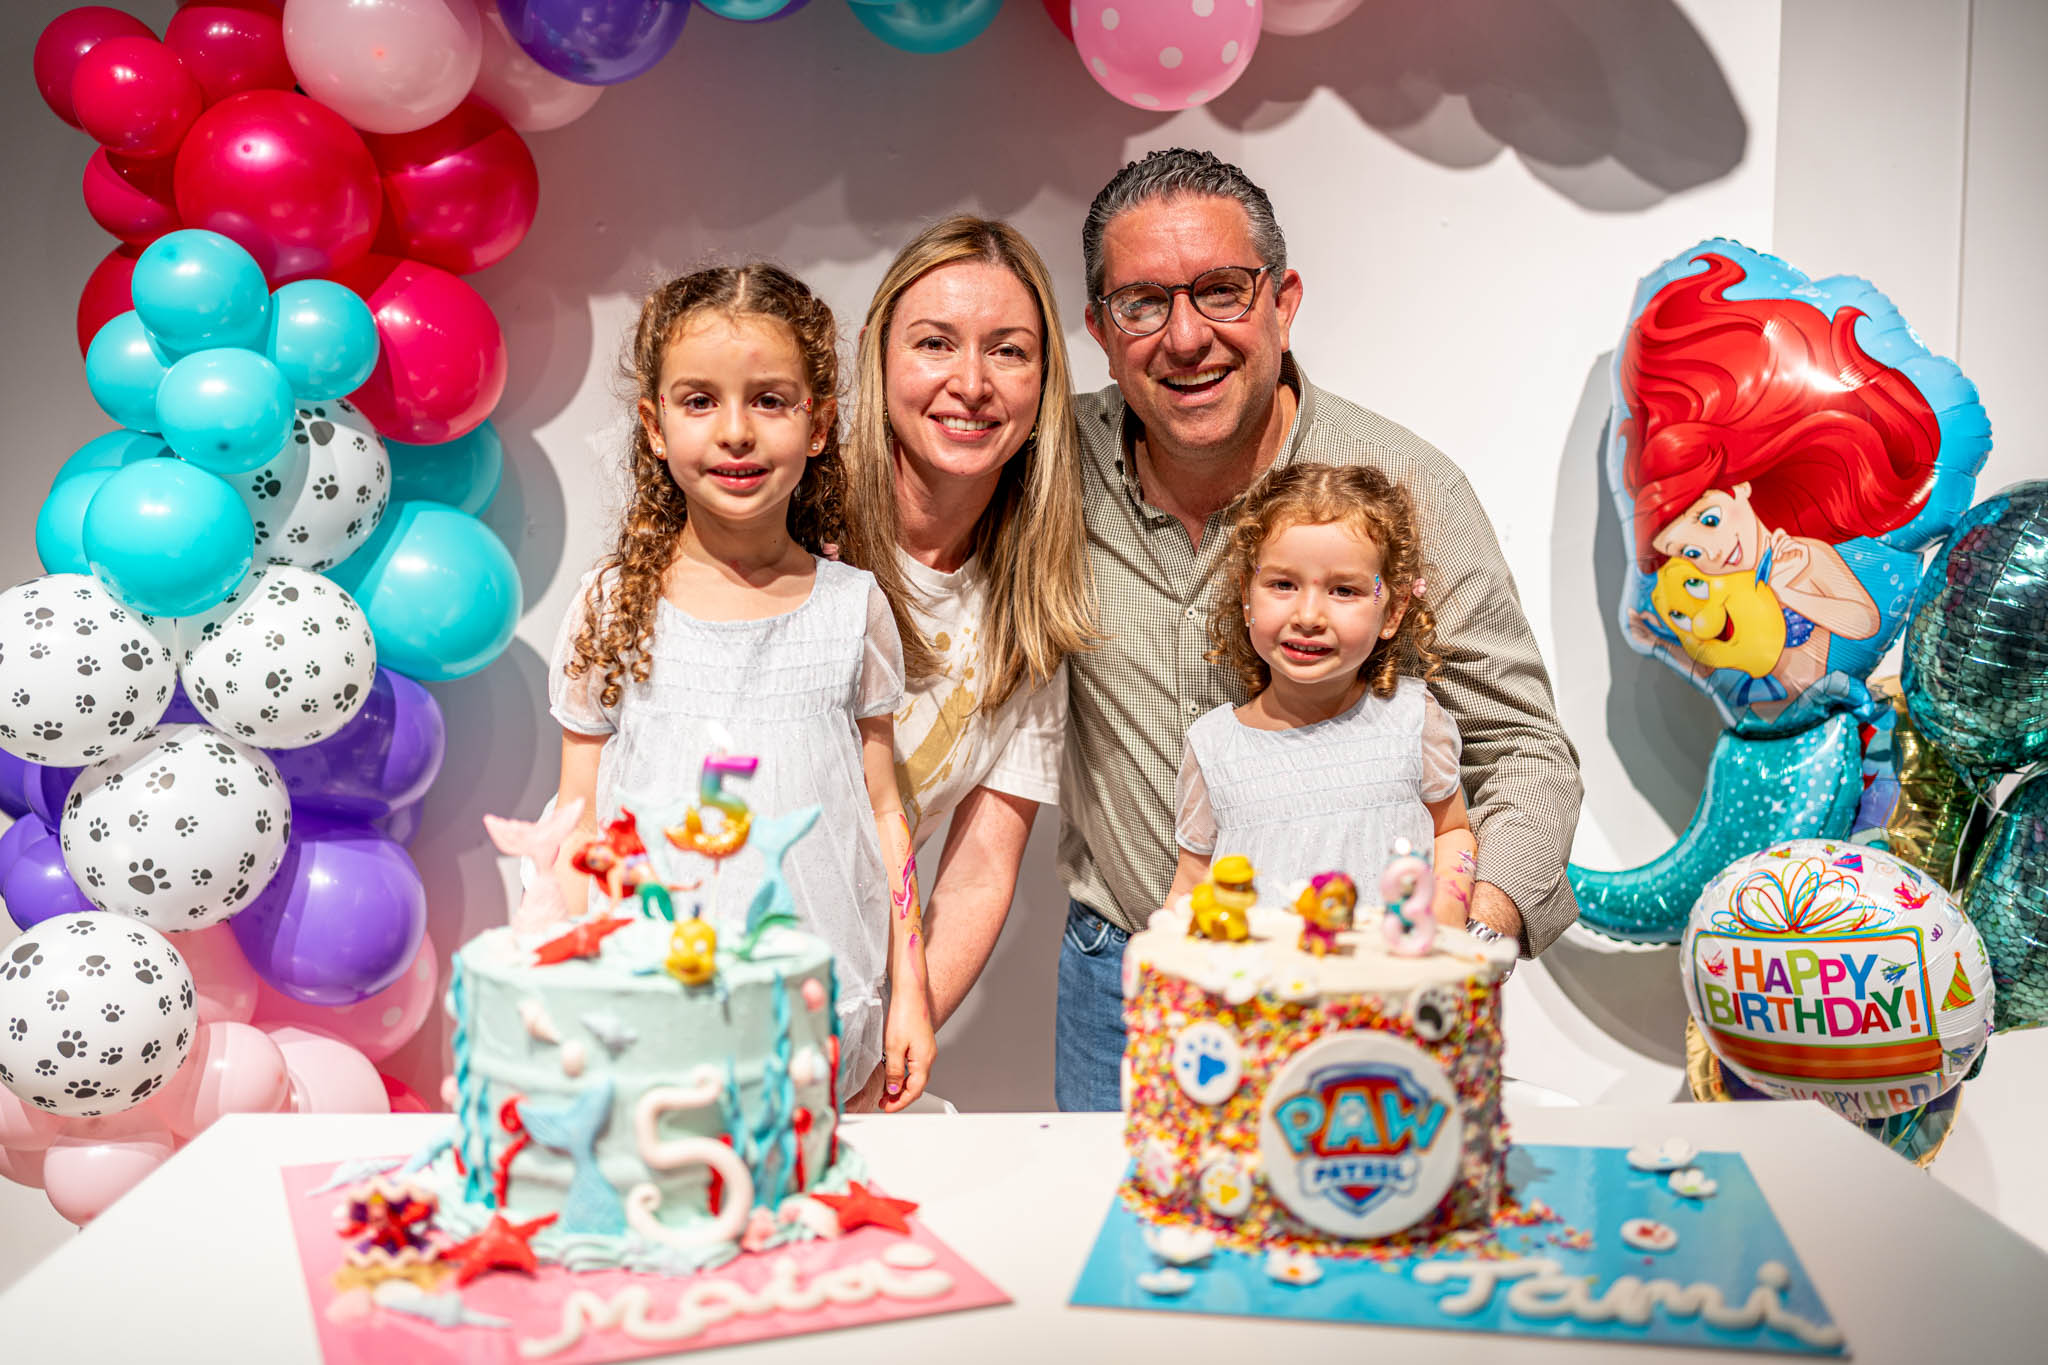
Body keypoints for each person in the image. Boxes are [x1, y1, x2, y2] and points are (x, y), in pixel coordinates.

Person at [1056, 148, 1583, 1110]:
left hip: (1369, 997)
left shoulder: (1406, 487)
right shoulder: (1047, 465)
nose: (1185, 338)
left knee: (1362, 1246)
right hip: (1127, 983)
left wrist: (1471, 940)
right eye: (1142, 303)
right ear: (1098, 327)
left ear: (1283, 300)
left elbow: (1526, 754)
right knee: (1132, 1249)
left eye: (1222, 291)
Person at [547, 265, 934, 1110]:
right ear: (653, 426)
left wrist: (912, 983)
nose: (735, 432)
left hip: (817, 984)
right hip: (647, 982)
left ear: (820, 423)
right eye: (698, 401)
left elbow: (883, 809)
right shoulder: (614, 607)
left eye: (770, 400)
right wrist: (567, 966)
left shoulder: (851, 607)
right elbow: (577, 813)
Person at [834, 217, 1095, 1101]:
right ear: (877, 355)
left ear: (1045, 380)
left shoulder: (1035, 597)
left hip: (855, 1026)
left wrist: (883, 1058)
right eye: (935, 343)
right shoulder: (794, 530)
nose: (971, 384)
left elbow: (980, 869)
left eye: (1009, 351)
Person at [1619, 251, 1941, 723]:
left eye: (1709, 520)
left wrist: (1797, 594)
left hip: (1814, 742)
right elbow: (1733, 674)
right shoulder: (1726, 586)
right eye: (1686, 552)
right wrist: (1663, 640)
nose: (1708, 553)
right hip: (1751, 737)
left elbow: (1863, 620)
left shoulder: (1803, 557)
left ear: (1743, 488)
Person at [1165, 463, 1476, 929]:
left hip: (1387, 989)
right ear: (1247, 597)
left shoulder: (1411, 720)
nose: (1308, 615)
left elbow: (1451, 831)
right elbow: (1192, 883)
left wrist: (1446, 922)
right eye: (1283, 585)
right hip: (1261, 995)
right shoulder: (1214, 747)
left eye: (1343, 590)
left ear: (1391, 612)